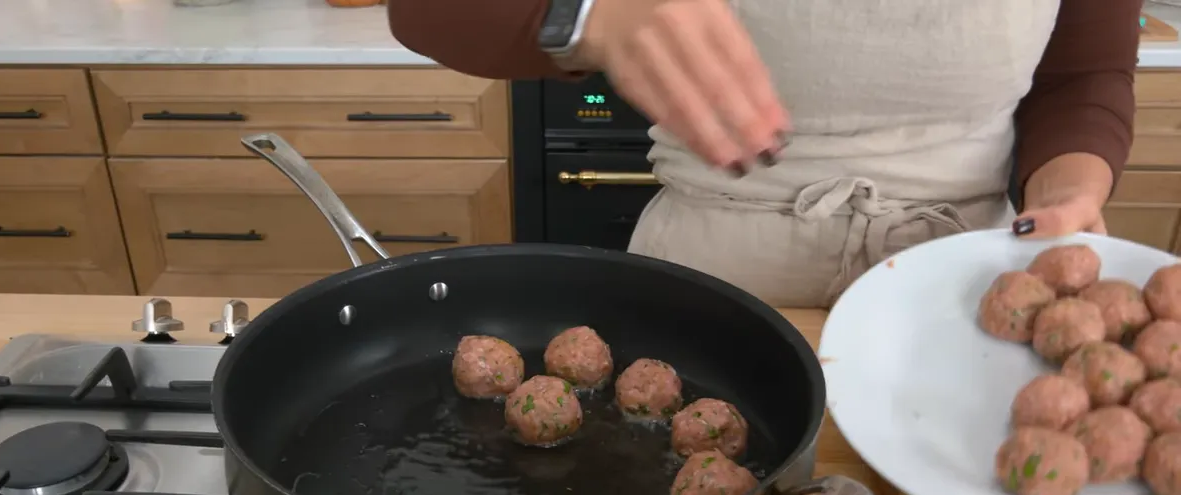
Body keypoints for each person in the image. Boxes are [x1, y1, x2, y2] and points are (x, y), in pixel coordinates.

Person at [386, 0, 1142, 308]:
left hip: (965, 293)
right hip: (714, 296)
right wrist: (589, 13)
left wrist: (1069, 193)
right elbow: (425, 10)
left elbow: (1083, 74)